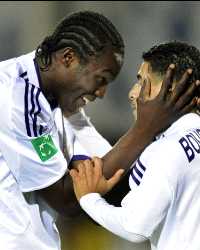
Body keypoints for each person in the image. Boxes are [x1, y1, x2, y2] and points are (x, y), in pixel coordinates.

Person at [0, 10, 198, 249]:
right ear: (68, 58)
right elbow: (66, 199)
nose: (102, 93)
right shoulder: (16, 99)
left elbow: (113, 173)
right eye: (101, 79)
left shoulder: (62, 102)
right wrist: (146, 128)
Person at [70, 41, 200, 250]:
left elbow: (135, 227)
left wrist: (89, 199)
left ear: (171, 89)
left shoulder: (166, 149)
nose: (133, 93)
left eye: (142, 82)